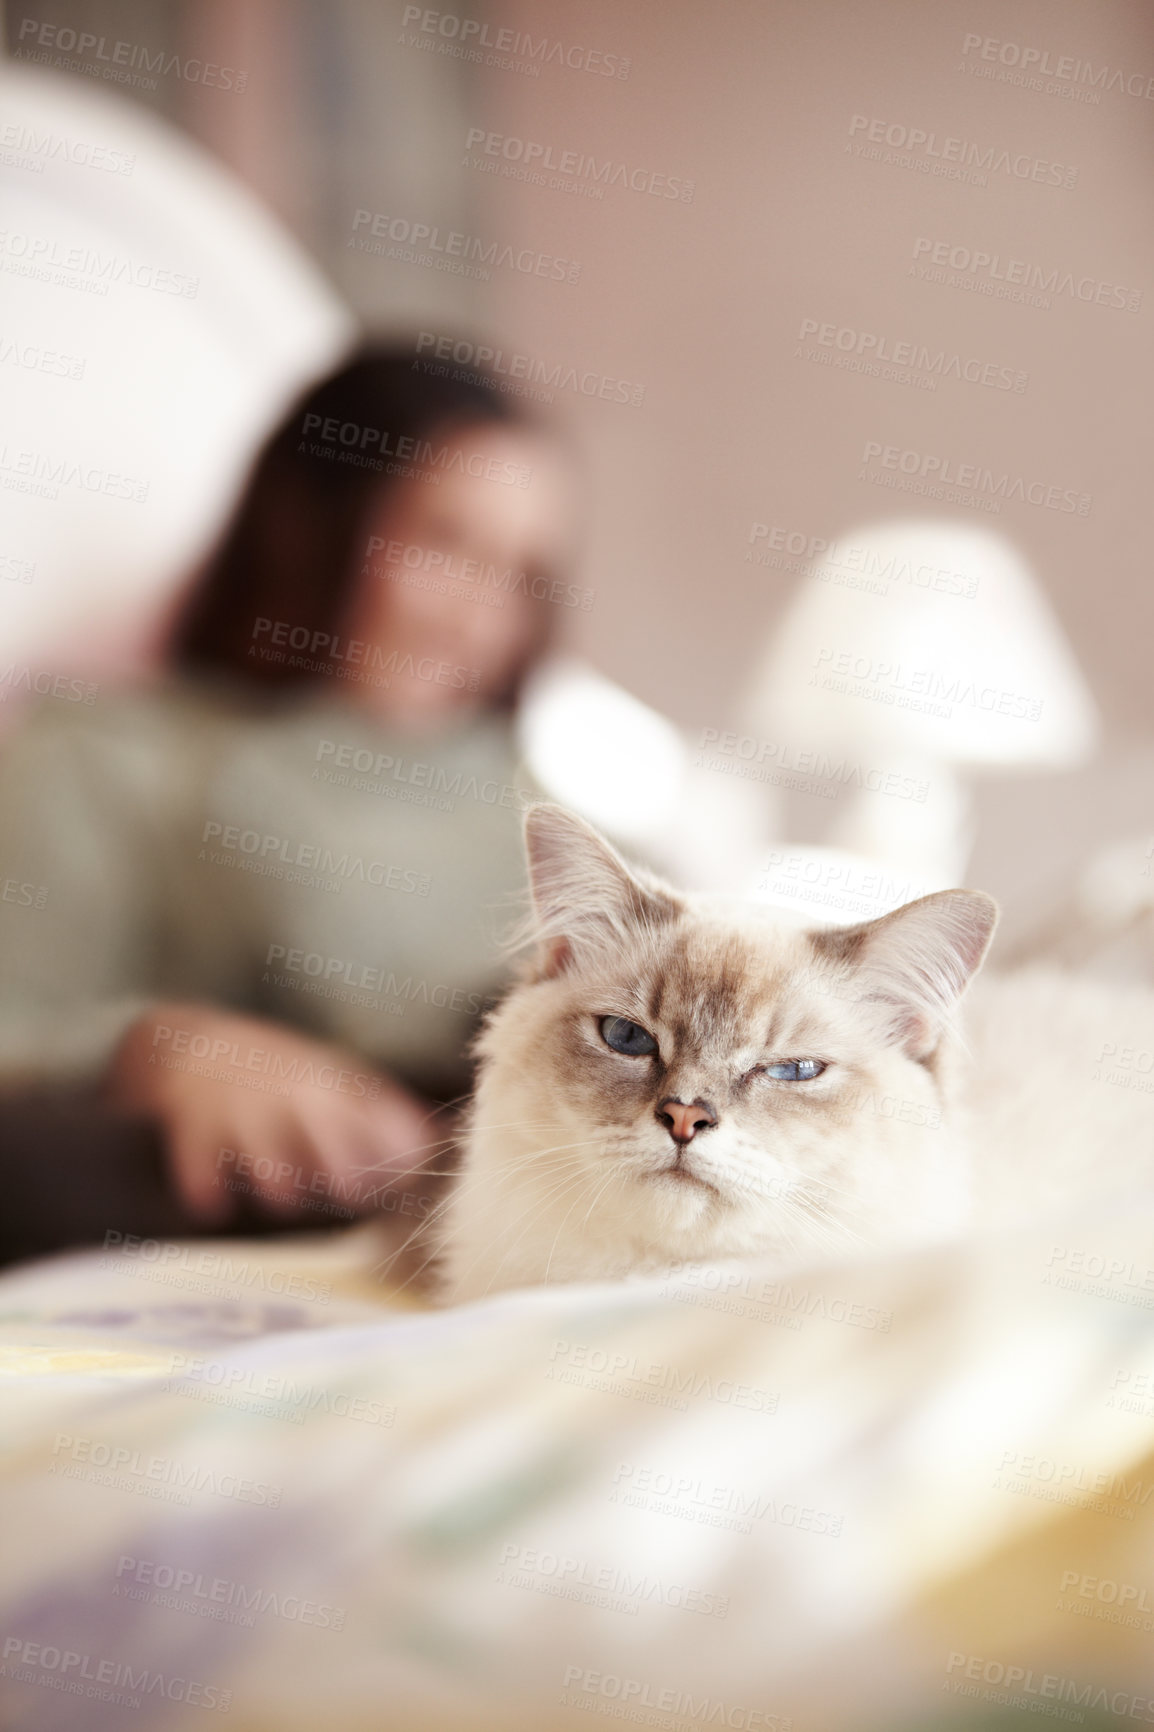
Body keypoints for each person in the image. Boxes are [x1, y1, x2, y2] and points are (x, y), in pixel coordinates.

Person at [0, 344, 578, 1256]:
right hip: (263, 1203)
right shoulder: (109, 755)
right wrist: (159, 1048)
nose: (482, 617)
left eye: (521, 575)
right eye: (446, 543)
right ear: (313, 526)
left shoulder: (514, 784)